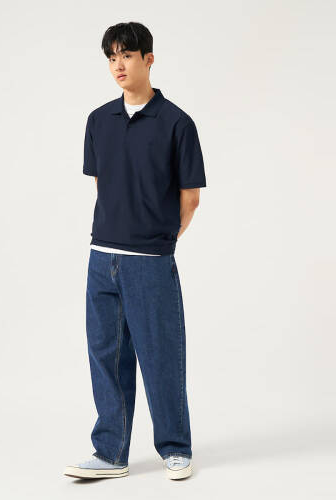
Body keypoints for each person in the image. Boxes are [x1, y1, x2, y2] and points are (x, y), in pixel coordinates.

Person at [64, 21, 207, 481]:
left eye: (126, 55)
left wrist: (160, 241)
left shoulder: (177, 123)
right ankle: (110, 452)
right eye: (111, 57)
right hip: (101, 256)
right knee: (105, 356)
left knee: (161, 355)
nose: (118, 65)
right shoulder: (98, 120)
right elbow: (103, 185)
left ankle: (176, 448)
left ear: (148, 59)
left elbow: (190, 198)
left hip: (150, 260)